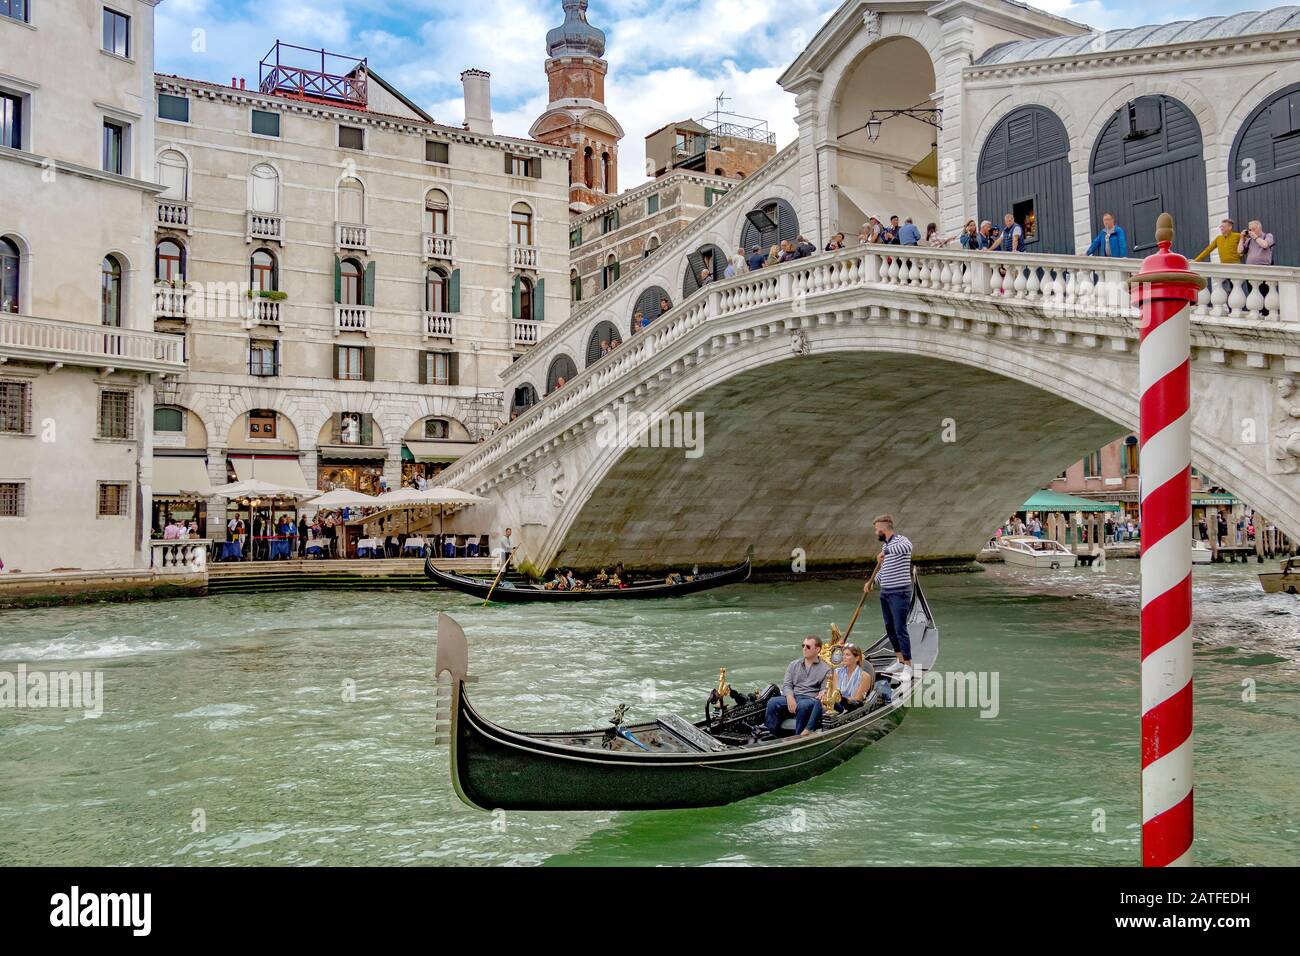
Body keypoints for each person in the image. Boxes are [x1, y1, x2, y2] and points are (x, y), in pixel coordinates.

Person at [863, 514, 914, 678]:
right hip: (886, 592)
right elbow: (884, 572)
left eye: (876, 529)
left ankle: (908, 666)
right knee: (890, 628)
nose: (875, 533)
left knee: (900, 629)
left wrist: (885, 552)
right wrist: (871, 583)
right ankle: (899, 661)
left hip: (900, 592)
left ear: (883, 529)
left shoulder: (901, 541)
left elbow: (908, 548)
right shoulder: (887, 547)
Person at [764, 635, 831, 736]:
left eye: (808, 647)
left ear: (817, 649)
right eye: (803, 645)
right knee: (773, 702)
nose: (804, 648)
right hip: (794, 695)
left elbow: (824, 689)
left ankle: (798, 736)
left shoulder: (826, 669)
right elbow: (787, 685)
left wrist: (823, 692)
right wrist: (790, 697)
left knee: (803, 706)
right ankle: (772, 735)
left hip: (810, 699)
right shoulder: (793, 664)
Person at [823, 643, 873, 713]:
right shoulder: (837, 672)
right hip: (837, 705)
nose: (844, 657)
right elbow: (835, 694)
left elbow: (857, 699)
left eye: (847, 655)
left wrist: (840, 699)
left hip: (851, 707)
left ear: (857, 658)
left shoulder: (865, 676)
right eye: (843, 654)